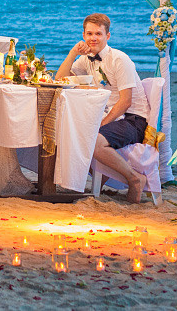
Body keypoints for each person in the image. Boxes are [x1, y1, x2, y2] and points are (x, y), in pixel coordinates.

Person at [56, 13, 150, 203]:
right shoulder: (86, 59)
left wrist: (99, 126)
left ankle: (135, 179)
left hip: (132, 119)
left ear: (108, 36)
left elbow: (126, 102)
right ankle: (99, 182)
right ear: (83, 35)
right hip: (110, 116)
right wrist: (73, 53)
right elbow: (60, 79)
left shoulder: (119, 59)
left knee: (94, 140)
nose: (93, 38)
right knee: (68, 133)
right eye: (89, 33)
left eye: (98, 33)